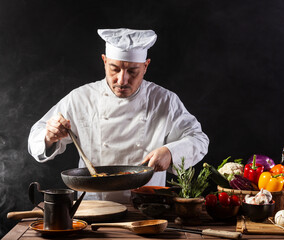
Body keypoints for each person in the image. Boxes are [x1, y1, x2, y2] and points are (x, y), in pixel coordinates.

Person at [28, 28, 209, 202]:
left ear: (145, 66)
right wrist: (49, 137)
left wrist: (171, 152)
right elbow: (37, 134)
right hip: (93, 206)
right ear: (104, 61)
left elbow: (198, 139)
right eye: (115, 69)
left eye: (132, 71)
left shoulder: (164, 100)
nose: (122, 80)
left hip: (146, 206)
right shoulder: (81, 98)